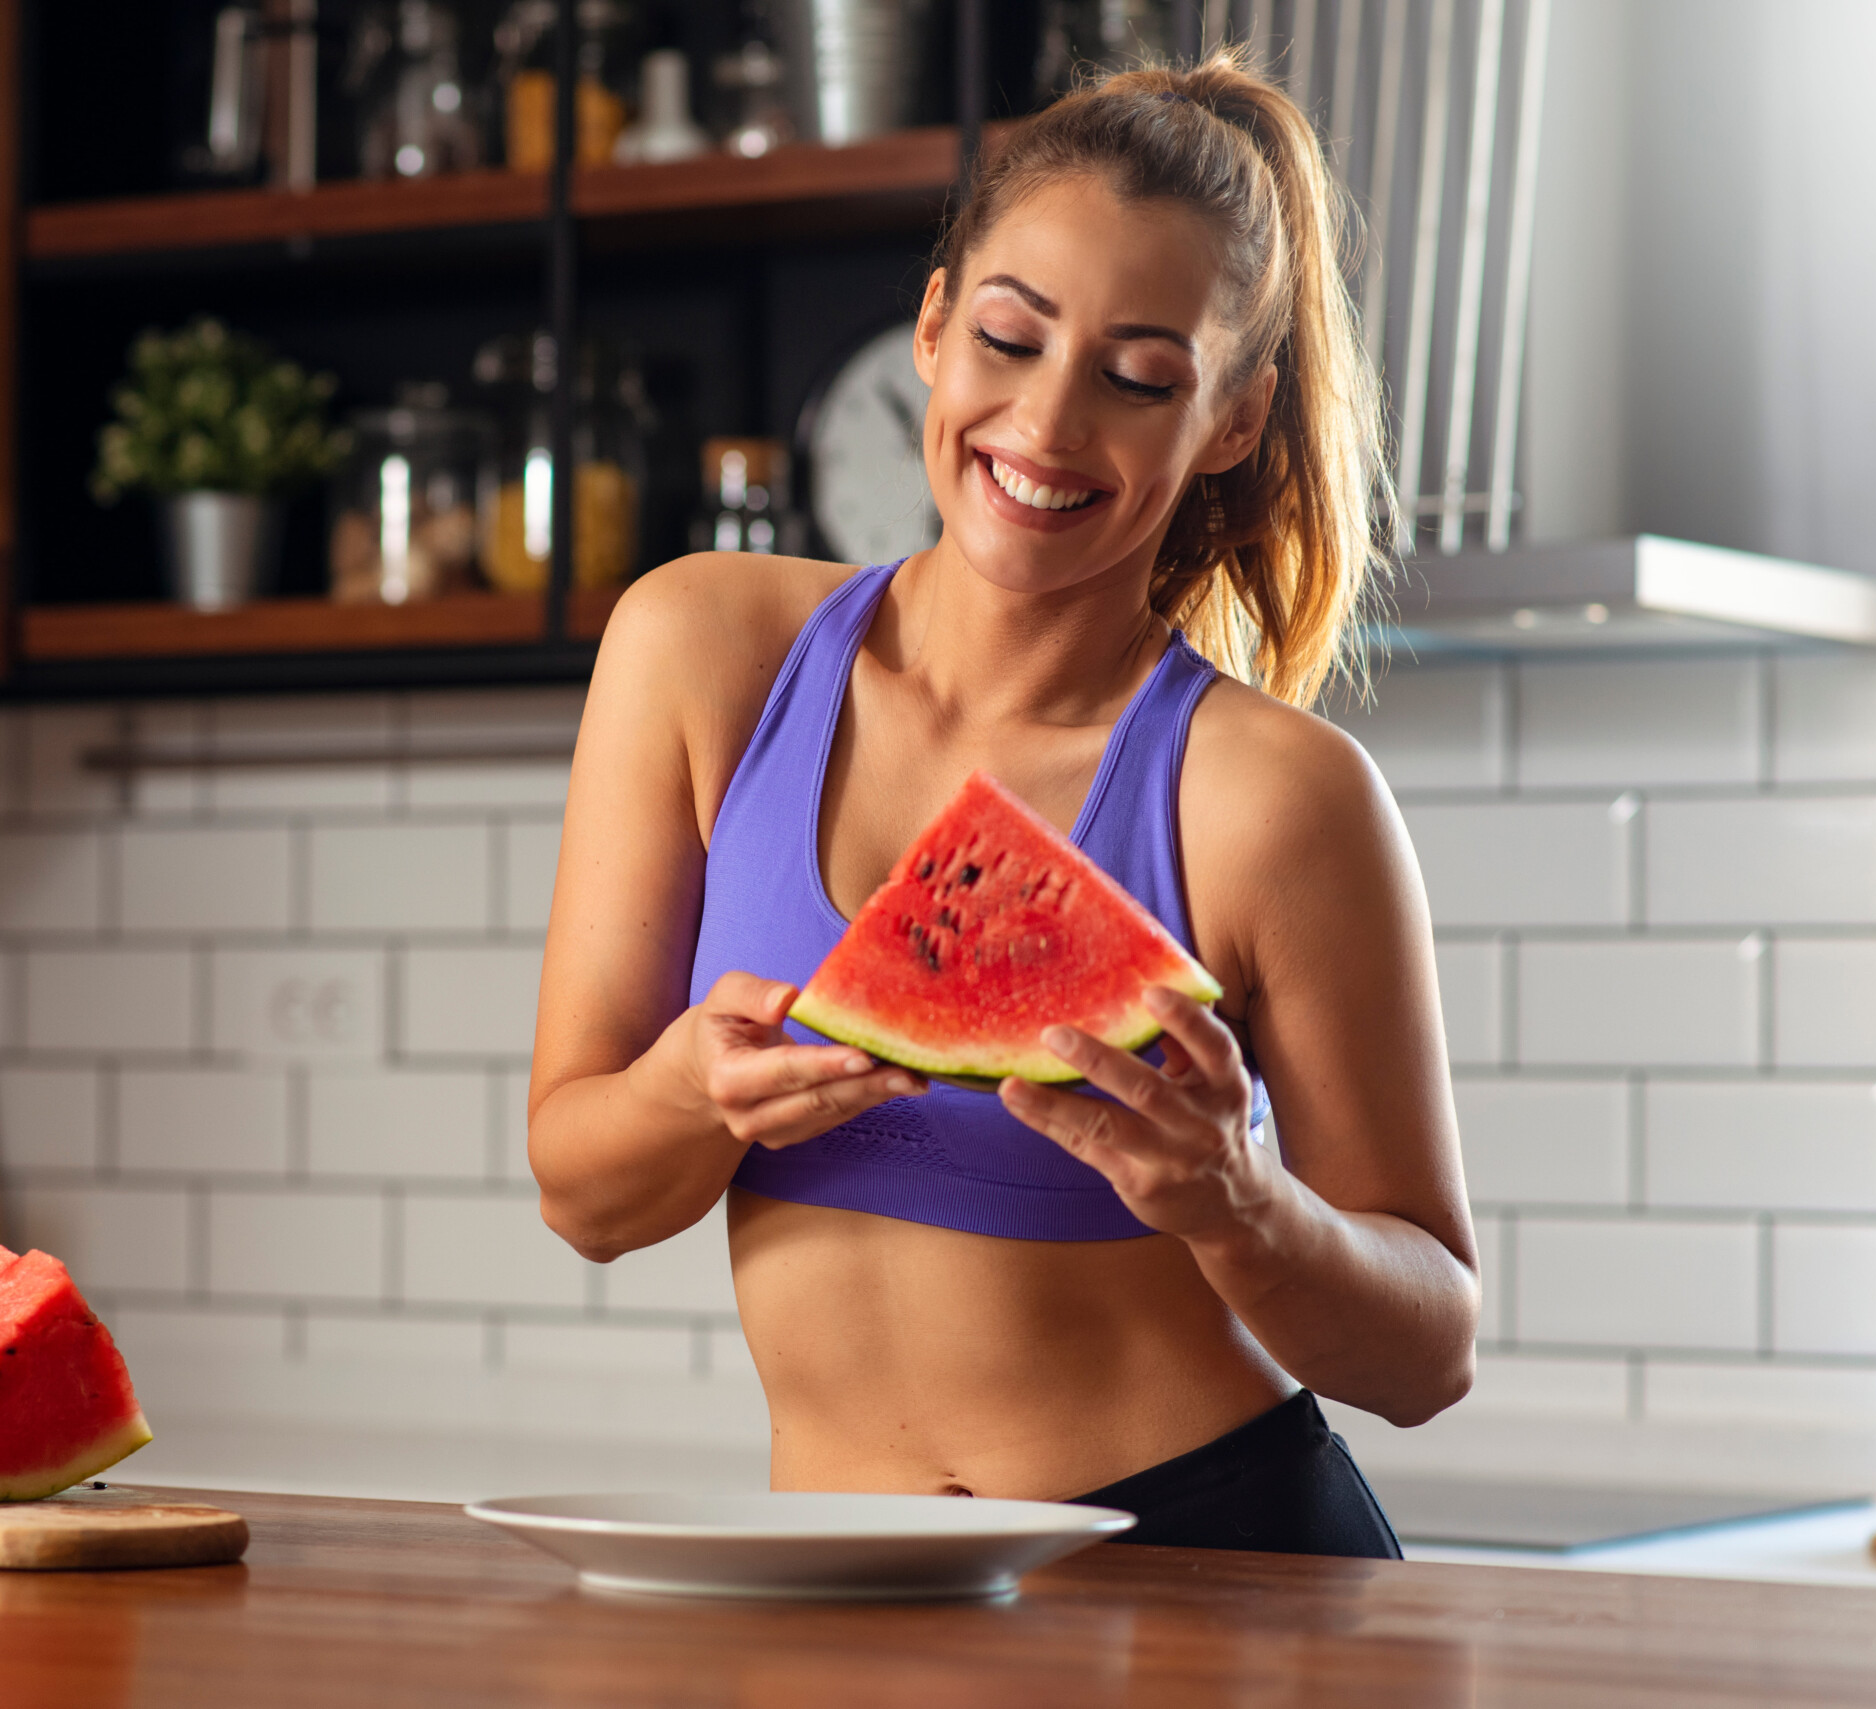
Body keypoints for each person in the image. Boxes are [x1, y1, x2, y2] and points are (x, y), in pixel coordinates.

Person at [526, 50, 1475, 1559]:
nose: (1044, 425)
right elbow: (586, 1194)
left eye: (1141, 376)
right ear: (932, 321)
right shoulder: (701, 651)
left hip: (1206, 1567)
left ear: (1230, 419)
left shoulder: (1277, 796)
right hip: (846, 1583)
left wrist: (1239, 1203)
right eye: (1011, 338)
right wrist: (693, 1089)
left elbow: (1429, 1354)